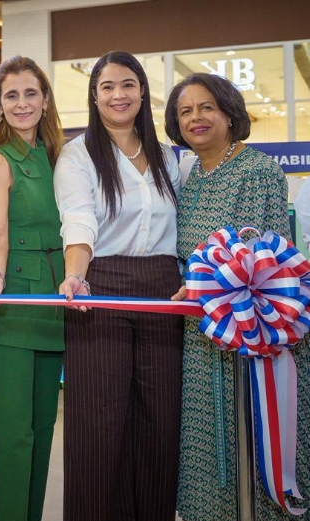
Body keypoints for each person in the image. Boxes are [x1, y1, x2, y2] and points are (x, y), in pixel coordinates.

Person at [166, 72, 309, 520]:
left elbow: (254, 257)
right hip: (201, 338)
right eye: (185, 111)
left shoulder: (257, 169)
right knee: (209, 447)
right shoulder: (190, 178)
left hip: (252, 337)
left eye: (206, 107)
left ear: (229, 112)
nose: (196, 118)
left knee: (254, 442)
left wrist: (198, 288)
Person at [53, 50, 183, 521]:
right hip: (99, 286)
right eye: (107, 86)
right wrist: (75, 274)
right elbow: (79, 221)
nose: (118, 94)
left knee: (160, 421)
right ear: (94, 95)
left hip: (164, 289)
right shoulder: (78, 154)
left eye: (127, 84)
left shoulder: (169, 157)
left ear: (143, 91)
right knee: (99, 424)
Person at [0, 56, 65, 521]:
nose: (23, 103)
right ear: (0, 106)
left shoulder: (59, 158)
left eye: (31, 93)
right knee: (13, 435)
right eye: (12, 96)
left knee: (44, 429)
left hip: (54, 307)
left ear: (45, 101)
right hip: (12, 308)